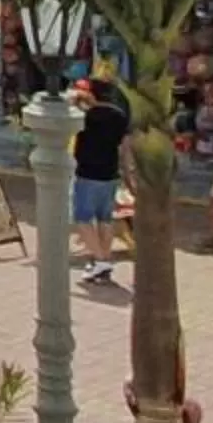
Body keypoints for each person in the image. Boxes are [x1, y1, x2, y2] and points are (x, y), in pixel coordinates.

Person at [70, 67, 132, 285]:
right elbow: (125, 149)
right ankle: (101, 264)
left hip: (87, 173)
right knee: (105, 219)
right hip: (110, 173)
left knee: (82, 219)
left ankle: (101, 259)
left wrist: (77, 100)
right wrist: (128, 175)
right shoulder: (120, 116)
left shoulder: (86, 116)